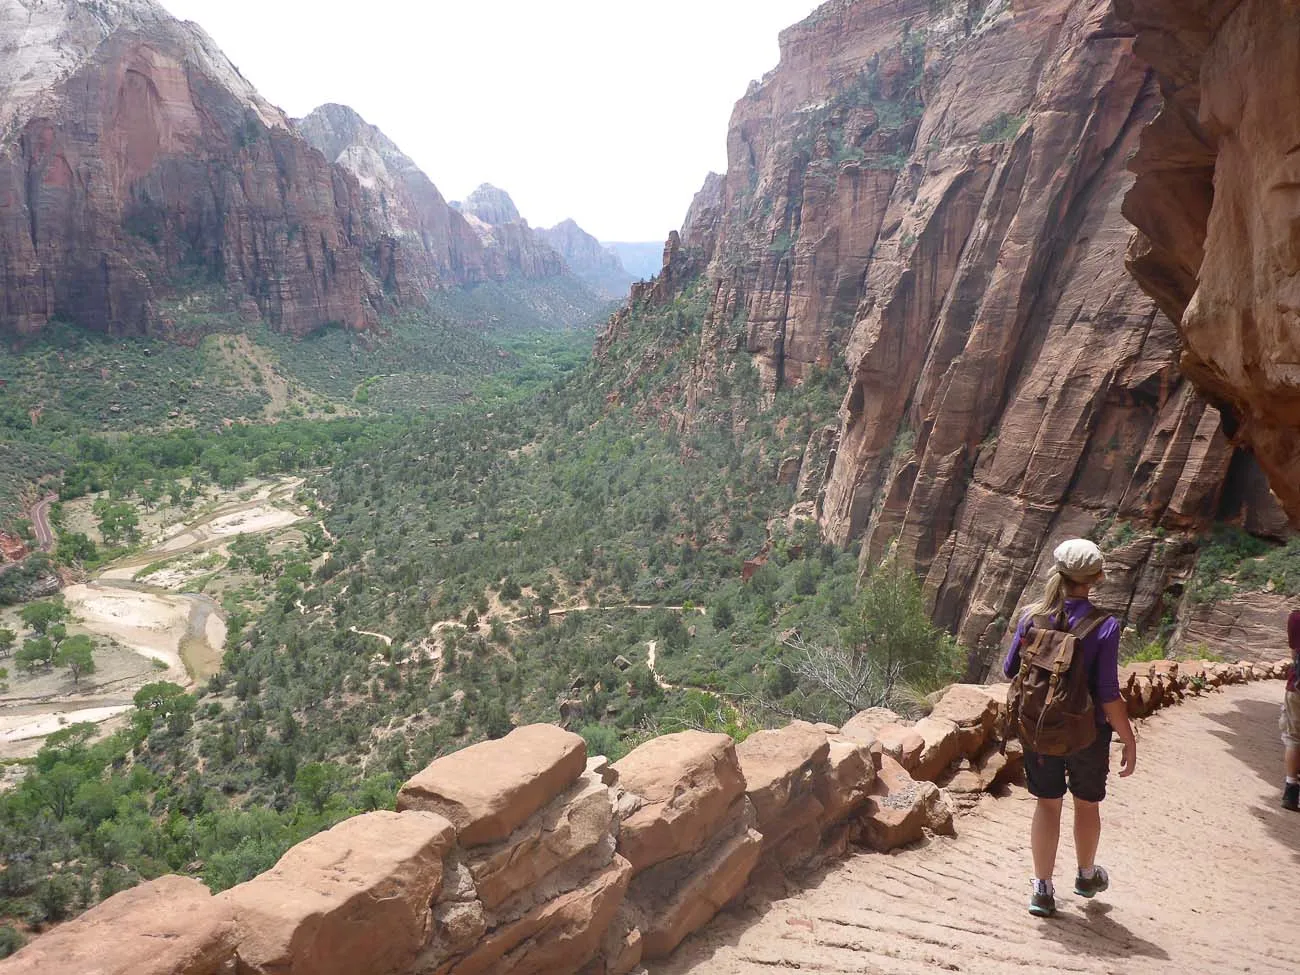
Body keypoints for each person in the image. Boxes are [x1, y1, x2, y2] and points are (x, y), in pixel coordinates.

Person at [1003, 538, 1137, 918]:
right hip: (1088, 734)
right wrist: (1127, 739)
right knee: (1086, 803)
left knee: (1047, 804)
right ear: (1095, 578)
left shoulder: (1032, 617)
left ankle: (1042, 889)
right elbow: (1109, 693)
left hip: (1039, 728)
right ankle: (1085, 875)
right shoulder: (1105, 626)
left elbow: (1011, 669)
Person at [1282, 609, 1300, 811]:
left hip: (1297, 687)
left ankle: (1291, 789)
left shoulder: (1296, 618)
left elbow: (1295, 653)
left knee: (1294, 738)